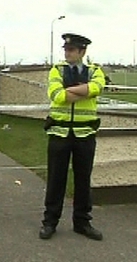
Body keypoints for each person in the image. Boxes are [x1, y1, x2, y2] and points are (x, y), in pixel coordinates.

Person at [39, 33, 106, 241]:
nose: (67, 53)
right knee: (55, 180)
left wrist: (72, 90)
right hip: (59, 134)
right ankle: (50, 222)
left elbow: (98, 88)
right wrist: (85, 91)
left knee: (83, 180)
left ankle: (82, 222)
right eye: (66, 49)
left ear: (82, 52)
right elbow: (57, 96)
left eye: (72, 50)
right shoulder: (56, 70)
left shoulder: (95, 70)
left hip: (85, 134)